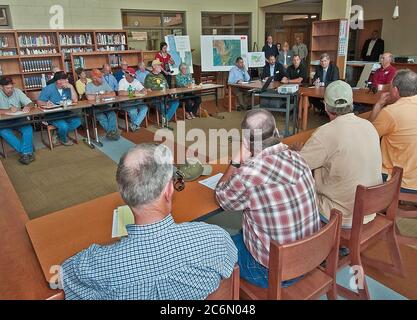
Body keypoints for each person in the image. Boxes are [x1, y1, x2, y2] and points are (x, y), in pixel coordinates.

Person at [60, 143, 237, 300]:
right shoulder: (216, 237)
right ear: (169, 190)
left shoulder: (97, 266)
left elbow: (63, 277)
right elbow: (230, 266)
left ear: (122, 193)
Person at [215, 109, 320, 288]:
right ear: (277, 132)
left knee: (217, 243)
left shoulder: (248, 174)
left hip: (270, 273)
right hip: (310, 258)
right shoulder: (299, 159)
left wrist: (236, 161)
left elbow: (221, 196)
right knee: (243, 232)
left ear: (246, 143)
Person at [294, 81, 382, 228]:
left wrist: (297, 153)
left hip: (340, 215)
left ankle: (309, 242)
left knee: (292, 192)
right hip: (370, 209)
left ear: (326, 106)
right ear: (352, 103)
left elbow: (298, 167)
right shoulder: (369, 126)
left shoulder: (325, 133)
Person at [369, 69, 417, 193]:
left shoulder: (391, 112)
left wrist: (378, 106)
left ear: (395, 90)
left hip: (399, 182)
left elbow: (368, 135)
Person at [38, 71, 81, 146]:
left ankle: (58, 134)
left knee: (77, 121)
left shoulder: (67, 87)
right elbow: (39, 102)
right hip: (52, 114)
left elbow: (75, 100)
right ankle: (63, 139)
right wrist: (46, 104)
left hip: (66, 112)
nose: (67, 81)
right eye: (65, 79)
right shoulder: (48, 89)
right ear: (59, 81)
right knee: (63, 126)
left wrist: (71, 87)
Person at [0, 77, 35, 165]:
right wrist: (7, 110)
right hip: (4, 121)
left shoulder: (17, 91)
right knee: (3, 132)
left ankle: (25, 153)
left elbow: (31, 103)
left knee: (28, 128)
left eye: (11, 87)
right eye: (7, 88)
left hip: (19, 118)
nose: (10, 90)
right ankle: (27, 151)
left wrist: (28, 106)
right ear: (1, 87)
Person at [86, 69, 120, 141]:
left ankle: (111, 132)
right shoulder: (89, 85)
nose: (102, 78)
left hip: (104, 105)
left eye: (101, 76)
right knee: (101, 116)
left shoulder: (104, 83)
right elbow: (89, 98)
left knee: (112, 113)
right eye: (100, 77)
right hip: (93, 107)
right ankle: (111, 132)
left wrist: (98, 96)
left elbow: (113, 94)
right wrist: (106, 94)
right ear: (94, 78)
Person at [144, 60, 179, 124]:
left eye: (160, 65)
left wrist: (169, 92)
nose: (160, 67)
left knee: (175, 102)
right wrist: (159, 93)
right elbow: (149, 91)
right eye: (158, 65)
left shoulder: (161, 75)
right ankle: (165, 119)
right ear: (154, 67)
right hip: (155, 98)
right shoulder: (149, 76)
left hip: (165, 96)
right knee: (163, 105)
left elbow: (167, 87)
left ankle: (165, 119)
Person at [118, 67, 149, 132]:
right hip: (125, 102)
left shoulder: (136, 81)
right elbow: (120, 93)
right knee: (133, 110)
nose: (125, 73)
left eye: (127, 72)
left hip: (136, 101)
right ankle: (136, 126)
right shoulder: (122, 81)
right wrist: (132, 92)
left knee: (145, 108)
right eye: (125, 72)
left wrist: (144, 90)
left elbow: (143, 89)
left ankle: (134, 125)